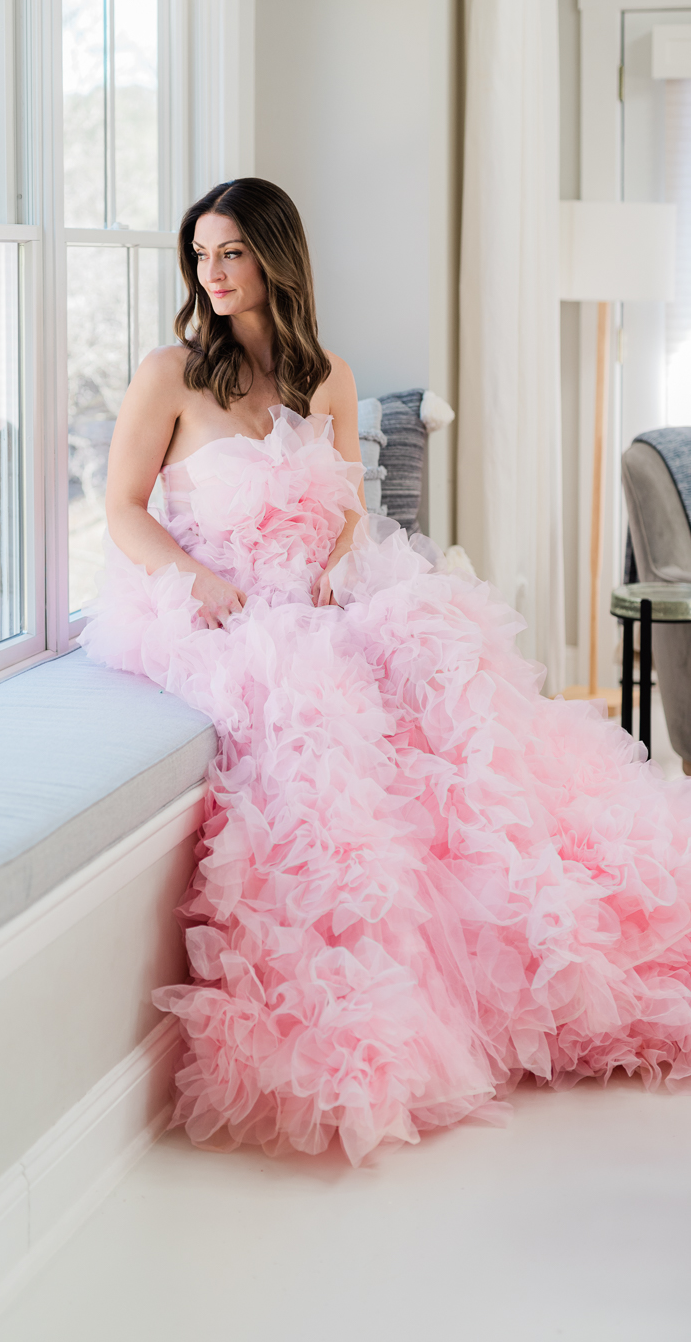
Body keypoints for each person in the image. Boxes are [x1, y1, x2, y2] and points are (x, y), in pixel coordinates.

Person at [80, 177, 691, 1166]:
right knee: (317, 710)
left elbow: (348, 512)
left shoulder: (326, 375)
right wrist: (200, 583)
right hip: (222, 606)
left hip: (320, 592)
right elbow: (121, 508)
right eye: (200, 255)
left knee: (440, 648)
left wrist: (335, 567)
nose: (212, 273)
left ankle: (540, 940)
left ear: (274, 256)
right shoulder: (171, 375)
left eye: (231, 252)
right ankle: (379, 1000)